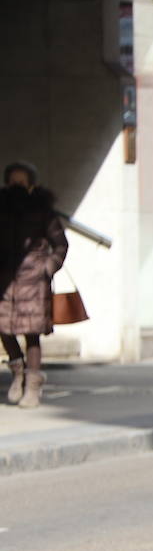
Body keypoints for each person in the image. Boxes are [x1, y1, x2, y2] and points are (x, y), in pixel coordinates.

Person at [1, 161, 66, 409]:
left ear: (31, 184)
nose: (17, 185)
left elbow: (60, 244)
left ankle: (32, 385)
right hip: (5, 279)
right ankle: (17, 370)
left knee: (31, 333)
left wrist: (47, 267)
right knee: (4, 329)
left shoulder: (44, 212)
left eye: (21, 181)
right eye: (12, 181)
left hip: (33, 280)